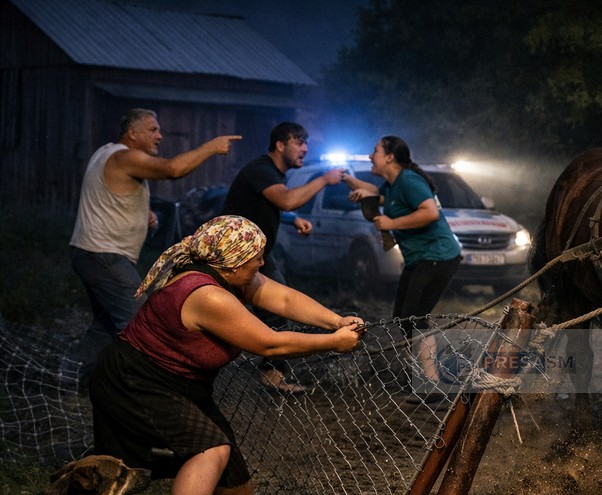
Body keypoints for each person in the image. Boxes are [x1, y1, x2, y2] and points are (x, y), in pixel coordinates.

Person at [88, 215, 365, 495]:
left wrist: (334, 321)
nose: (261, 263)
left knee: (225, 456)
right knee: (210, 449)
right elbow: (269, 342)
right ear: (231, 262)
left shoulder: (227, 274)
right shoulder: (207, 295)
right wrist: (333, 344)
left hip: (178, 380)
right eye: (255, 258)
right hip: (137, 380)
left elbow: (279, 295)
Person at [69, 108, 240, 380]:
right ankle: (146, 386)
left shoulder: (106, 153)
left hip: (93, 254)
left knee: (103, 328)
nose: (160, 136)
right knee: (142, 325)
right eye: (153, 130)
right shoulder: (125, 156)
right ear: (132, 133)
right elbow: (174, 170)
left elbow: (108, 195)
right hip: (103, 256)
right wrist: (211, 147)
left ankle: (65, 377)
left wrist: (142, 214)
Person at [221, 122, 344, 392]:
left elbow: (271, 205)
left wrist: (292, 219)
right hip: (233, 257)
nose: (305, 149)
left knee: (268, 313)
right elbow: (286, 200)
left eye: (306, 143)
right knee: (271, 313)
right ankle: (269, 377)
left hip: (253, 255)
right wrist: (324, 179)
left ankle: (271, 376)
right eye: (298, 142)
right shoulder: (261, 169)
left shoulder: (273, 173)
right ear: (279, 145)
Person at [342, 136, 461, 390]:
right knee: (402, 318)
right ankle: (419, 374)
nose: (370, 155)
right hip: (419, 258)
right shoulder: (393, 184)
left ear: (390, 157)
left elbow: (429, 212)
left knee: (416, 318)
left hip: (438, 256)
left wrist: (392, 224)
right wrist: (347, 179)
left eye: (374, 151)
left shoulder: (408, 180)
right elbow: (375, 193)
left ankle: (431, 382)